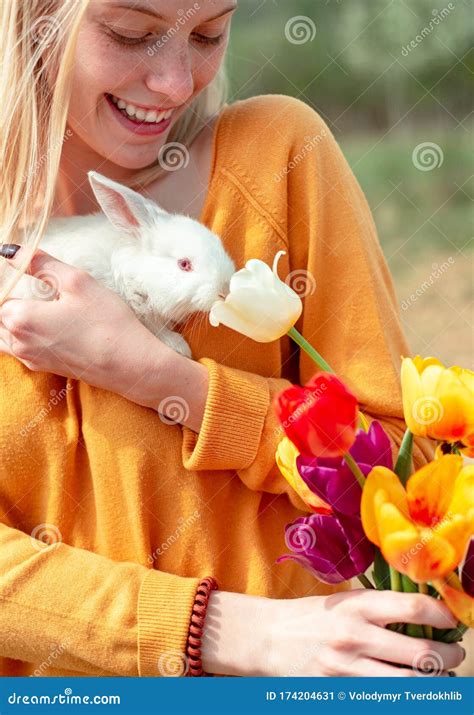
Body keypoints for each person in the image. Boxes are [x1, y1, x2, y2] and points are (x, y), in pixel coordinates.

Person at [0, 0, 465, 677]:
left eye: (210, 33)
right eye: (130, 34)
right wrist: (220, 628)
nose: (177, 82)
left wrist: (167, 380)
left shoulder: (278, 157)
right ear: (30, 19)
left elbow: (414, 469)